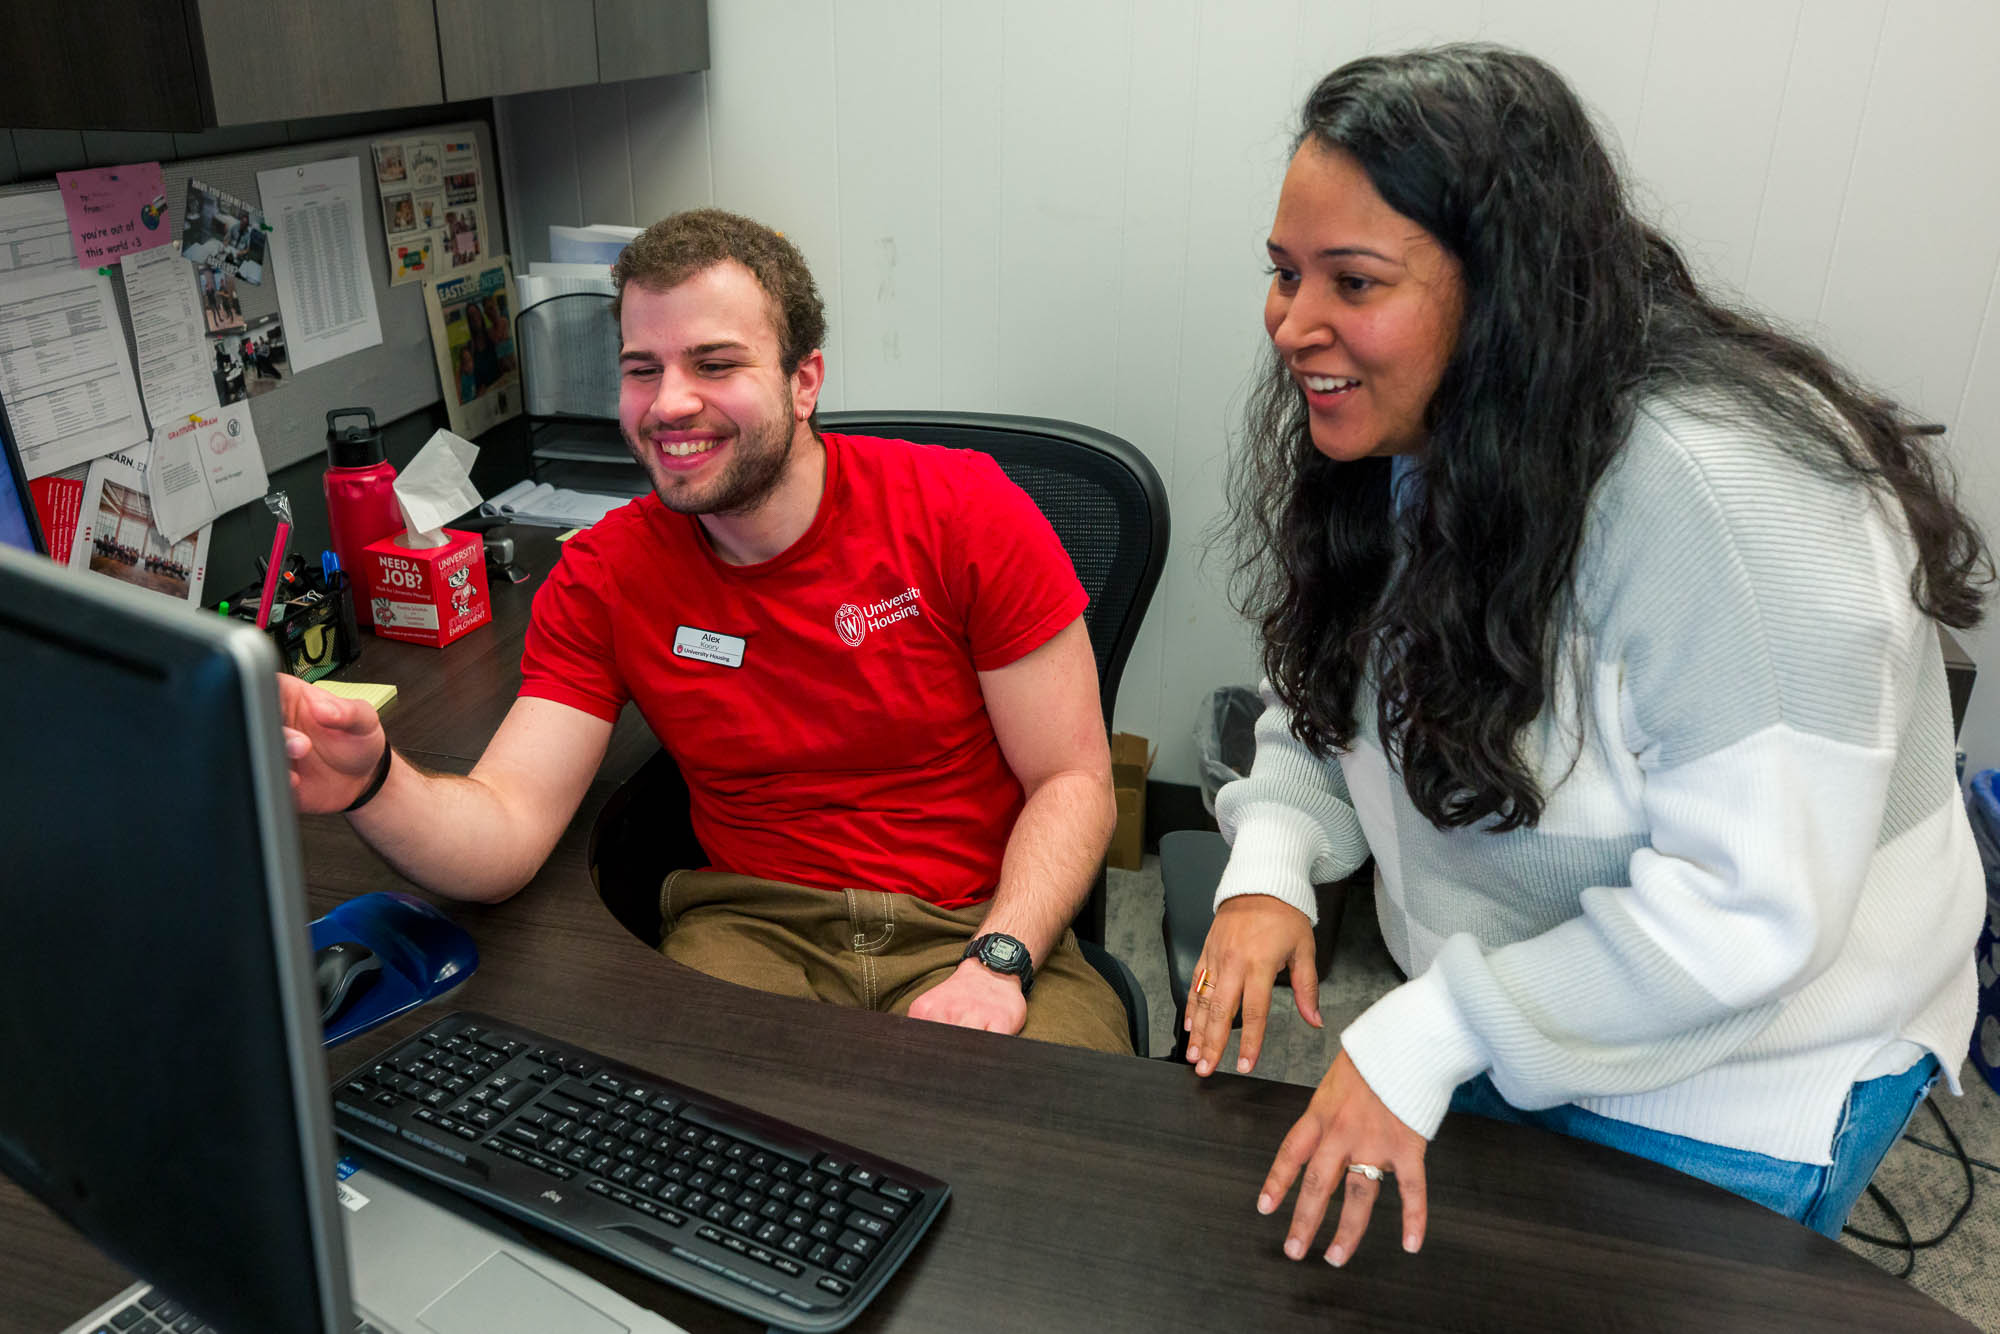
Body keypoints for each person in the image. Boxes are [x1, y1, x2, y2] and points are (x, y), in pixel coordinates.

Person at [1189, 44, 1989, 1267]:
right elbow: (1342, 684)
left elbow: (1749, 912)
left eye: (1350, 281)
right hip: (1520, 1003)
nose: (1292, 325)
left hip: (1745, 1067)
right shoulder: (1434, 423)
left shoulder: (1730, 494)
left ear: (1502, 286)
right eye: (1283, 272)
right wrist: (1271, 853)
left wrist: (1435, 1025)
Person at [279, 208, 1129, 1053]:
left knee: (1064, 1154)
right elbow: (505, 828)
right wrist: (375, 782)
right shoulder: (607, 575)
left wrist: (1000, 958)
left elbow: (1072, 777)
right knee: (675, 1156)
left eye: (714, 364)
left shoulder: (964, 511)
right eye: (641, 370)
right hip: (757, 931)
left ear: (805, 382)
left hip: (978, 921)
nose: (669, 403)